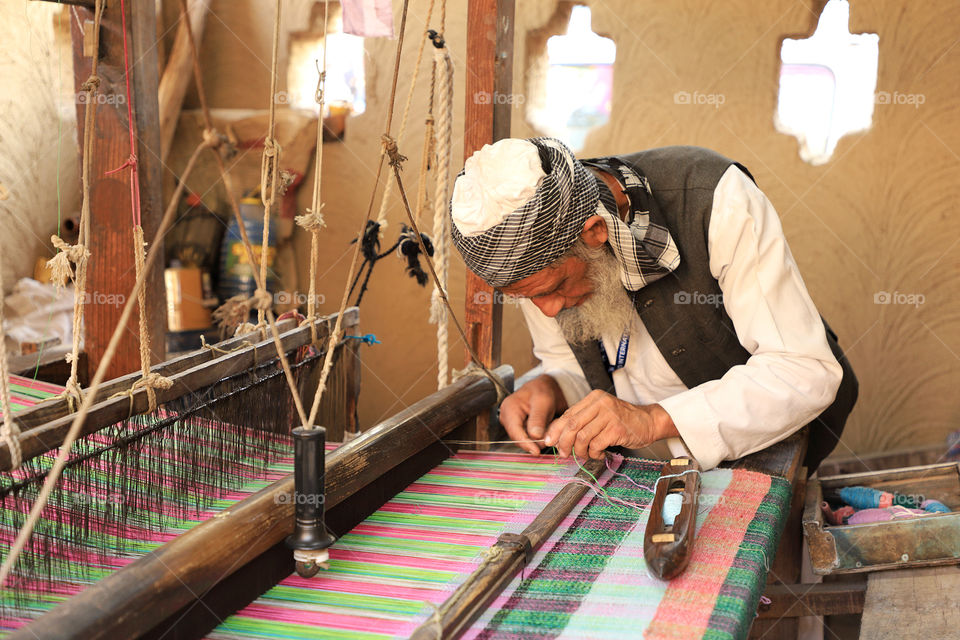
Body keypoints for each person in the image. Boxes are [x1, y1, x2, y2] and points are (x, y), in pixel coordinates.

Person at [449, 137, 857, 472]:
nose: (549, 311)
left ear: (594, 231)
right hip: (643, 472)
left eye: (553, 288)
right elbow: (574, 363)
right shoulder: (537, 257)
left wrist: (651, 421)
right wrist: (552, 386)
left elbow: (803, 371)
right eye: (526, 298)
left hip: (763, 446)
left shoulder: (715, 198)